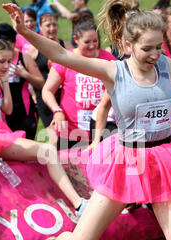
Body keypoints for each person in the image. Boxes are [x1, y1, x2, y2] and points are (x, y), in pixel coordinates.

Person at [2, 0, 171, 240]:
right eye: (146, 49)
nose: (154, 54)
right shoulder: (114, 72)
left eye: (158, 47)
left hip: (163, 161)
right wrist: (25, 33)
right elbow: (62, 55)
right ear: (127, 46)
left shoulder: (163, 64)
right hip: (125, 163)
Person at [0, 38, 88, 218]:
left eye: (8, 61)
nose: (7, 65)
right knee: (48, 151)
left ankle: (74, 202)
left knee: (45, 153)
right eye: (1, 61)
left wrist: (5, 82)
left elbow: (7, 109)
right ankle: (78, 204)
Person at [42, 14, 117, 149]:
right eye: (87, 42)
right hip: (72, 133)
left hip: (102, 129)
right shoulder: (66, 59)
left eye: (95, 41)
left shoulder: (108, 59)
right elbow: (47, 90)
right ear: (76, 39)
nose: (92, 46)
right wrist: (57, 111)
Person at [0, 22, 45, 139]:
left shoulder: (25, 58)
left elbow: (41, 83)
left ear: (13, 43)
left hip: (25, 113)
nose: (3, 49)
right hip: (5, 113)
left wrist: (25, 74)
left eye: (6, 44)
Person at [26, 12, 73, 130]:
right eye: (48, 25)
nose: (52, 29)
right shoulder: (34, 50)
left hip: (65, 96)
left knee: (67, 133)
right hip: (45, 98)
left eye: (54, 25)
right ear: (40, 27)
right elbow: (28, 78)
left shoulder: (66, 46)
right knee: (53, 133)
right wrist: (32, 95)